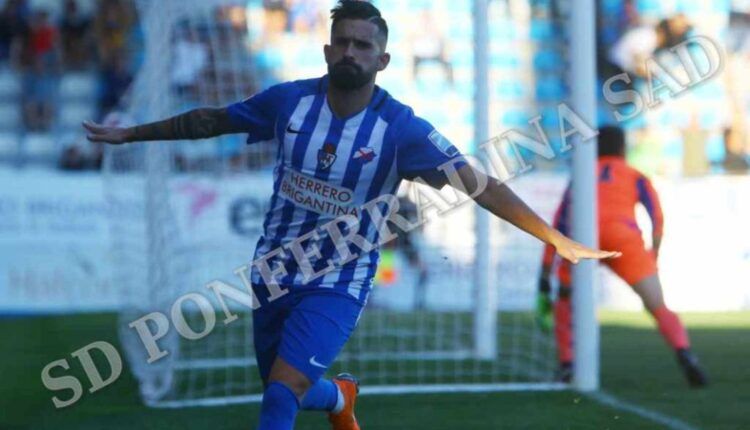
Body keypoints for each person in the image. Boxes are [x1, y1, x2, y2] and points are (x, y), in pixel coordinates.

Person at [83, 2, 619, 429]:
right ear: (325, 49)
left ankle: (330, 394)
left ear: (382, 61)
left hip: (340, 277)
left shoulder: (402, 130)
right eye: (342, 41)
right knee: (282, 384)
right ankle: (340, 396)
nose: (350, 52)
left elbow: (479, 184)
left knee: (277, 397)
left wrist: (555, 238)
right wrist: (132, 133)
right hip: (272, 269)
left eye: (362, 45)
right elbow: (211, 121)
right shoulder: (289, 103)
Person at [536, 126, 708, 388]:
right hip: (624, 239)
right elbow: (657, 218)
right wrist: (653, 256)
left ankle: (567, 364)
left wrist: (547, 271)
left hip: (586, 237)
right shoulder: (635, 175)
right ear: (622, 149)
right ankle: (685, 354)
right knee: (657, 304)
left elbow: (560, 221)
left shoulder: (581, 177)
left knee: (565, 299)